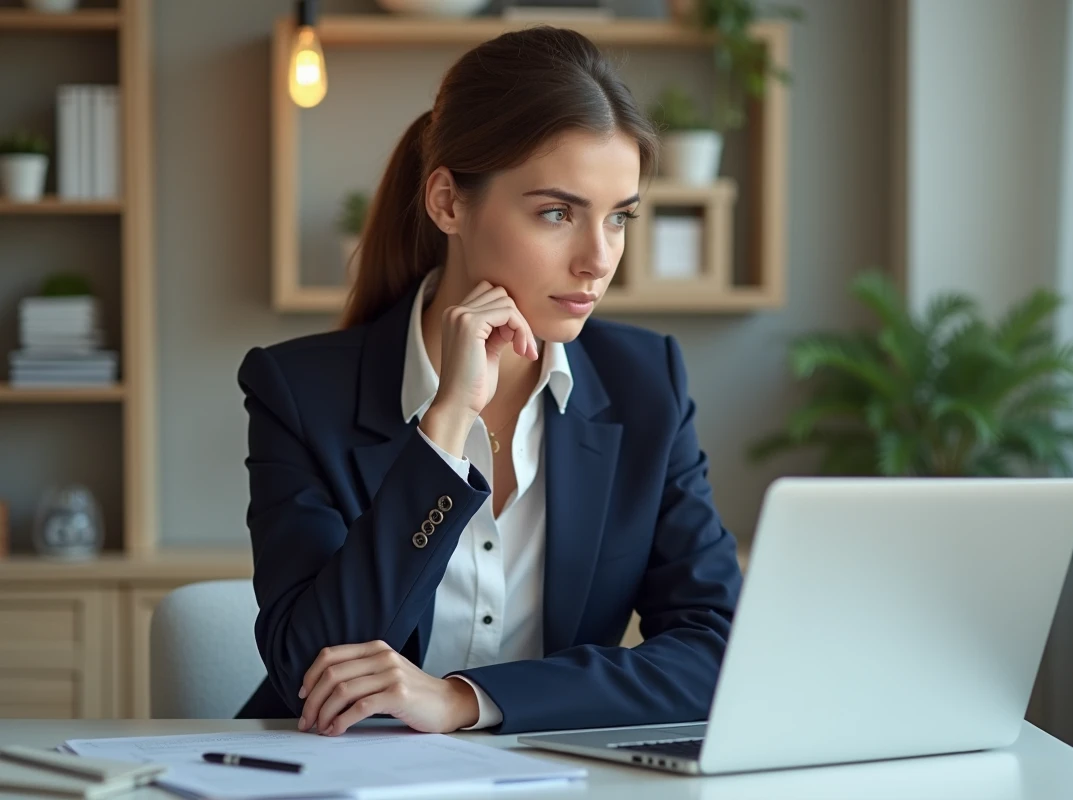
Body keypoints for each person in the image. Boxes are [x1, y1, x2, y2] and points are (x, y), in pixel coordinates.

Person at [234, 25, 742, 737]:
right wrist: (443, 430)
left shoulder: (645, 384)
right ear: (448, 202)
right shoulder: (297, 391)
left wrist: (465, 699)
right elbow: (313, 668)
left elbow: (718, 654)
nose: (599, 259)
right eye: (557, 213)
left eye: (620, 218)